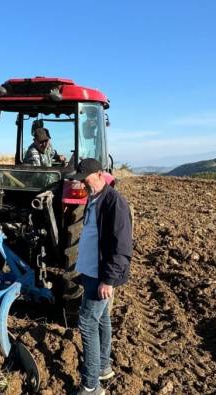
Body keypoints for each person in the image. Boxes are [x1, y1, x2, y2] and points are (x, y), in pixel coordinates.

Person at [72, 158, 133, 395]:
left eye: (86, 181)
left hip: (101, 275)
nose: (83, 186)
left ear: (99, 174)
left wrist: (108, 280)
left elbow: (122, 246)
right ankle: (103, 367)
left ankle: (91, 386)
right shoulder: (94, 198)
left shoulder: (114, 202)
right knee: (102, 318)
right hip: (90, 271)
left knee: (87, 322)